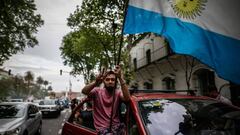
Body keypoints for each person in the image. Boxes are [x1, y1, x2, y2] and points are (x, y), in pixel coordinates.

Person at [82, 65, 130, 135]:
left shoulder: (118, 92)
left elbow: (127, 98)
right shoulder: (97, 91)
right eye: (107, 79)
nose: (110, 81)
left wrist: (120, 78)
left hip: (117, 126)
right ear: (104, 81)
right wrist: (96, 82)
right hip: (102, 129)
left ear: (115, 82)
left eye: (113, 79)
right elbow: (84, 91)